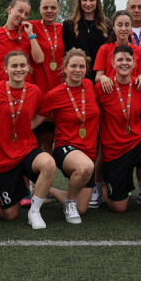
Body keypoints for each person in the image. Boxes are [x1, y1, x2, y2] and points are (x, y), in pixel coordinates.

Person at [0, 51, 56, 229]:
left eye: (22, 66)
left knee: (48, 163)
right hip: (2, 158)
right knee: (10, 215)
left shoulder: (34, 91)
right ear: (5, 69)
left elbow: (43, 112)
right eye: (14, 66)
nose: (19, 69)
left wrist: (32, 124)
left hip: (27, 149)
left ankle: (34, 212)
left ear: (28, 68)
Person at [95, 45, 141, 213]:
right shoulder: (102, 88)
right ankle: (106, 186)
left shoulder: (139, 86)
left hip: (137, 142)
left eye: (128, 60)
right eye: (120, 59)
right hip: (114, 151)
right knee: (119, 208)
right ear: (112, 63)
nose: (124, 63)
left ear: (134, 63)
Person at [32, 48, 101, 223]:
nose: (77, 70)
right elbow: (35, 121)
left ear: (86, 69)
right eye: (73, 66)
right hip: (66, 148)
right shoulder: (54, 94)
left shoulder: (91, 86)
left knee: (82, 208)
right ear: (65, 68)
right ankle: (69, 202)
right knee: (85, 168)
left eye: (81, 66)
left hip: (89, 151)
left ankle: (51, 191)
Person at [29, 0, 65, 155]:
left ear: (58, 9)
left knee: (50, 137)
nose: (49, 11)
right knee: (35, 137)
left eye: (53, 7)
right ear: (40, 9)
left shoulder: (64, 29)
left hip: (57, 88)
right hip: (37, 86)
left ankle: (46, 178)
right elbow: (8, 33)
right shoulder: (31, 26)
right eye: (45, 7)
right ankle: (32, 178)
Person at [0, 0, 44, 87]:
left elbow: (39, 59)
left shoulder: (28, 35)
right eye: (20, 11)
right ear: (10, 9)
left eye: (26, 14)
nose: (23, 16)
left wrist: (30, 34)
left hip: (23, 89)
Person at [62, 0, 110, 82]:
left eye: (92, 0)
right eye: (84, 0)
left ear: (97, 2)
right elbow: (66, 52)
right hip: (77, 74)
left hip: (100, 76)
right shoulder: (69, 25)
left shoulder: (107, 25)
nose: (88, 3)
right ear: (79, 2)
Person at [95, 10, 141, 92]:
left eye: (127, 25)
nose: (123, 29)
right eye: (120, 25)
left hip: (131, 94)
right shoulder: (104, 49)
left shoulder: (139, 51)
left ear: (131, 27)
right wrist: (102, 77)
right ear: (113, 26)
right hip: (110, 93)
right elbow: (98, 77)